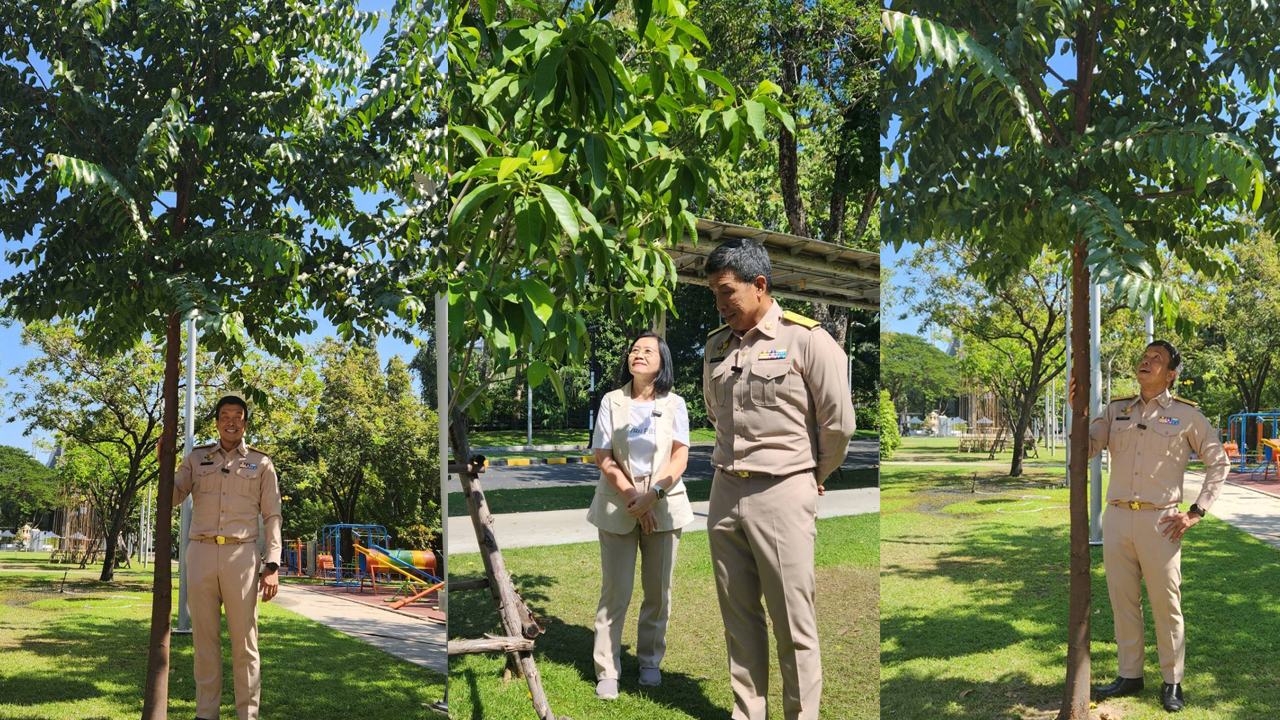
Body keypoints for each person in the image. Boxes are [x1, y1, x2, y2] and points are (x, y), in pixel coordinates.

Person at [701, 238, 856, 720]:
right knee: (740, 621)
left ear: (760, 285)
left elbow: (839, 423)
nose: (721, 303)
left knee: (793, 622)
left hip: (783, 490)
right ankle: (747, 713)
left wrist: (812, 473)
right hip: (725, 491)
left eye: (727, 292)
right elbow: (715, 413)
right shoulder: (715, 346)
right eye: (715, 294)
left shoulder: (807, 339)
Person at [1088, 340, 1229, 712]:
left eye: (1157, 359)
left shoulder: (1187, 416)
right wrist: (1079, 412)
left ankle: (1173, 682)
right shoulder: (1116, 409)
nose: (1146, 361)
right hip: (1116, 518)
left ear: (1171, 374)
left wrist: (1196, 511)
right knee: (1123, 602)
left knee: (1166, 604)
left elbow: (1219, 462)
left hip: (1161, 522)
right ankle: (1130, 675)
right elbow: (1088, 446)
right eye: (1144, 356)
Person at [586, 331, 695, 700]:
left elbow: (680, 455)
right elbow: (603, 455)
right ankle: (607, 669)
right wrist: (634, 496)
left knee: (658, 592)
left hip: (664, 500)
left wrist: (653, 496)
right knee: (616, 590)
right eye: (634, 350)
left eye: (648, 351)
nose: (639, 355)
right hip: (619, 500)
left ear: (662, 361)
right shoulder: (612, 401)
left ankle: (649, 660)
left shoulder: (675, 403)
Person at [174, 391, 283, 720]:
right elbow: (174, 495)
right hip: (201, 554)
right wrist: (166, 461)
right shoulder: (196, 458)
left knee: (244, 643)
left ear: (245, 423)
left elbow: (272, 515)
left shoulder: (262, 463)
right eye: (225, 417)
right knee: (204, 642)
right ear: (217, 423)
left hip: (242, 556)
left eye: (237, 416)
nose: (231, 422)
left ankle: (246, 715)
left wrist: (272, 563)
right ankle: (206, 715)